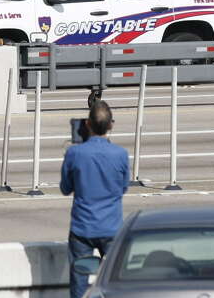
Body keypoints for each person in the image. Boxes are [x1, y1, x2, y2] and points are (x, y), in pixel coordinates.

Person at [61, 100, 129, 298]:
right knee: (115, 283)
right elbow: (123, 188)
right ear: (111, 125)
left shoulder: (75, 153)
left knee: (79, 282)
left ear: (87, 124)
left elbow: (65, 188)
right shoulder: (120, 154)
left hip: (83, 228)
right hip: (111, 227)